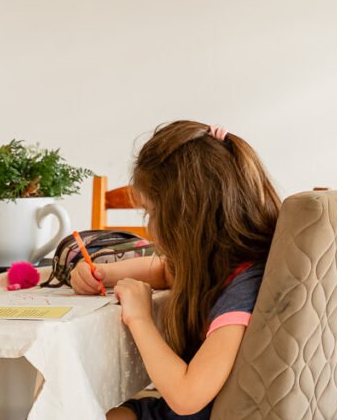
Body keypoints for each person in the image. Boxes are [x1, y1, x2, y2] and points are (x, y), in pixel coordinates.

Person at [71, 120, 280, 419]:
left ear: (188, 218)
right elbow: (165, 271)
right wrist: (104, 273)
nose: (150, 226)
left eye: (152, 212)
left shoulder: (243, 292)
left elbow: (186, 397)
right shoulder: (227, 264)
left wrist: (139, 318)